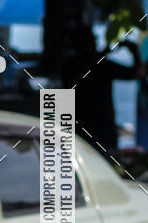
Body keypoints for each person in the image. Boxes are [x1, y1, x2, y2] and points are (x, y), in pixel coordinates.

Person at [63, 26, 147, 154]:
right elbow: (138, 73)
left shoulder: (68, 67)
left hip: (77, 134)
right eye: (93, 41)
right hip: (103, 136)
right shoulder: (102, 67)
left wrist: (104, 53)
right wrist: (134, 51)